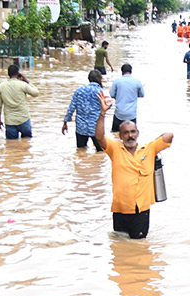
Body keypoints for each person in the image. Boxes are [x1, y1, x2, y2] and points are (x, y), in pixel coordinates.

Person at [95, 92, 172, 239]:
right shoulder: (115, 149)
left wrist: (153, 146)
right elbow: (99, 137)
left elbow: (169, 136)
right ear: (120, 136)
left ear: (138, 133)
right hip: (119, 209)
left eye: (133, 132)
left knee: (139, 248)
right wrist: (102, 114)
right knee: (120, 249)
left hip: (140, 211)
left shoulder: (149, 149)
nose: (130, 136)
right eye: (126, 133)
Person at [62, 69, 106, 151]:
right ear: (100, 79)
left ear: (89, 79)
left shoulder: (79, 91)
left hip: (81, 127)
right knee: (101, 152)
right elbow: (108, 106)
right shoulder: (102, 92)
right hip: (96, 127)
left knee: (81, 151)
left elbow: (71, 108)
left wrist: (65, 122)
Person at [0, 62, 39, 139]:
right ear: (18, 73)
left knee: (11, 146)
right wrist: (27, 81)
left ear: (8, 74)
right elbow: (36, 93)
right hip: (24, 119)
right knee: (26, 143)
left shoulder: (1, 86)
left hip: (10, 121)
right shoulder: (23, 85)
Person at [108, 62, 144, 133]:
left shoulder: (117, 82)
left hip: (119, 114)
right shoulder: (137, 82)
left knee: (116, 135)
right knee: (131, 137)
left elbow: (111, 94)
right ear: (131, 71)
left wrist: (118, 96)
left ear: (122, 72)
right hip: (131, 115)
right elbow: (142, 95)